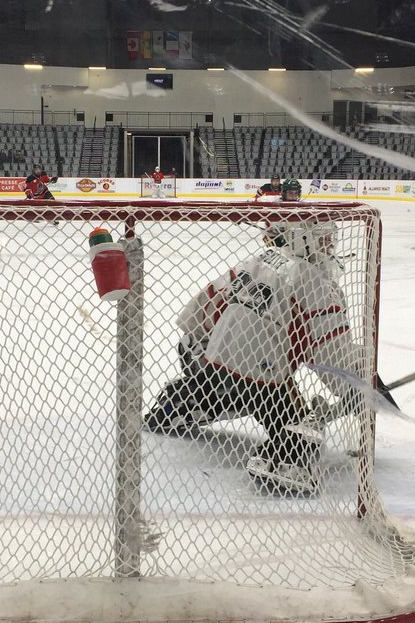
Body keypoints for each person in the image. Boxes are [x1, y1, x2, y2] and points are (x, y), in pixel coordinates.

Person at [143, 211, 363, 495]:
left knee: (231, 387)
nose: (330, 247)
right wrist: (355, 387)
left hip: (204, 363)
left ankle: (181, 400)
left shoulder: (258, 261)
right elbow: (331, 354)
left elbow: (198, 312)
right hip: (260, 384)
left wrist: (203, 347)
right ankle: (284, 458)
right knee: (300, 427)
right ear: (301, 239)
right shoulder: (316, 283)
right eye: (324, 240)